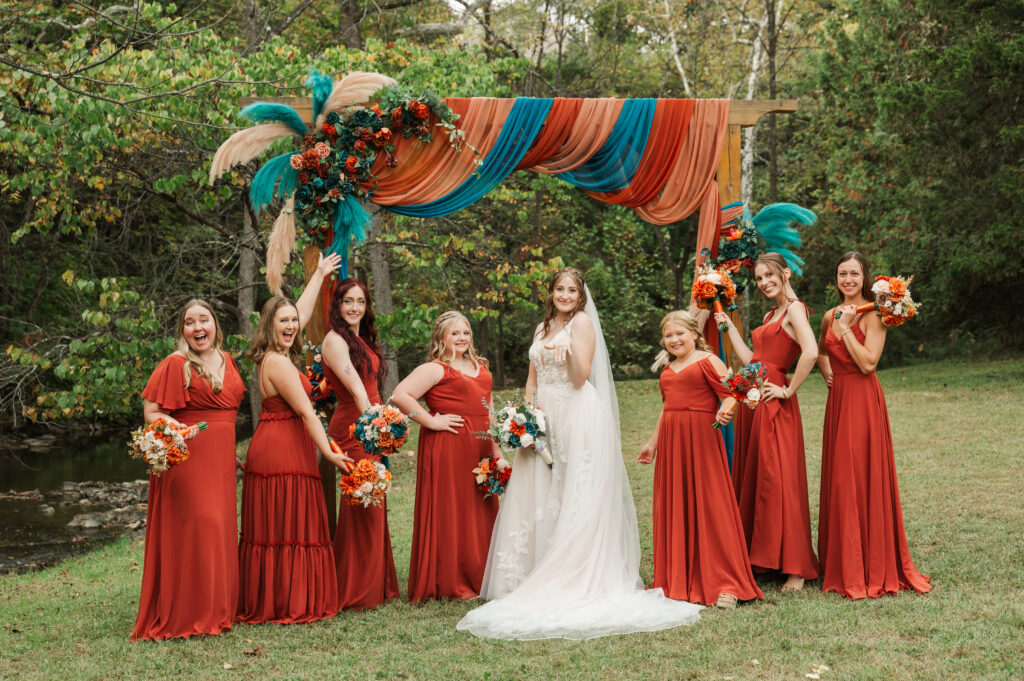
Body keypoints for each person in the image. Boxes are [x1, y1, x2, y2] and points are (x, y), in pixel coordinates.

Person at [457, 268, 703, 640]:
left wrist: (569, 354)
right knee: (539, 490)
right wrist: (526, 418)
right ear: (551, 292)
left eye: (572, 290)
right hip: (543, 417)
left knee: (574, 489)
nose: (566, 295)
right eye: (560, 289)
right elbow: (532, 378)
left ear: (580, 295)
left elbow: (578, 377)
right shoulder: (542, 328)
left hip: (576, 413)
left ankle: (573, 570)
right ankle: (530, 571)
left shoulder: (583, 325)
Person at [237, 253, 354, 624]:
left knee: (281, 525)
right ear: (269, 327)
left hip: (280, 442)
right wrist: (330, 453)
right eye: (282, 322)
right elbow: (306, 411)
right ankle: (290, 601)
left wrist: (319, 274)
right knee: (288, 525)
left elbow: (299, 313)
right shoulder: (279, 362)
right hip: (282, 448)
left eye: (292, 322)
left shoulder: (275, 352)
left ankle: (279, 595)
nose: (291, 326)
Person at [815, 251, 932, 599]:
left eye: (854, 273)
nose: (847, 280)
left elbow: (868, 365)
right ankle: (842, 560)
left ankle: (870, 561)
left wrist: (848, 331)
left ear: (865, 277)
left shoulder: (876, 315)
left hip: (864, 401)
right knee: (841, 477)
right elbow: (821, 351)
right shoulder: (828, 315)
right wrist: (829, 377)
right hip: (839, 402)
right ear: (835, 279)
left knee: (861, 473)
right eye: (841, 274)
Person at [131, 299, 246, 641]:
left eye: (204, 321)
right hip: (188, 458)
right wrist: (177, 430)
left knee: (221, 529)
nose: (198, 328)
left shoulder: (229, 361)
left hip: (220, 462)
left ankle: (218, 609)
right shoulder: (176, 363)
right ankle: (190, 613)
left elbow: (226, 418)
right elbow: (151, 411)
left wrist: (231, 453)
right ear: (182, 330)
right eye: (190, 323)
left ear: (215, 325)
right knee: (201, 527)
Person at [639, 310, 764, 608]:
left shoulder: (709, 361)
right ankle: (677, 577)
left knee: (712, 504)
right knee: (676, 504)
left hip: (701, 440)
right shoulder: (668, 370)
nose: (674, 340)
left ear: (694, 334)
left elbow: (731, 392)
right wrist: (652, 444)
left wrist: (728, 409)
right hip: (672, 443)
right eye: (668, 336)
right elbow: (667, 407)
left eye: (679, 334)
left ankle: (727, 583)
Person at [715, 253, 820, 592]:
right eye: (759, 278)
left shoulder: (794, 309)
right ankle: (763, 556)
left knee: (779, 477)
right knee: (758, 474)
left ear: (785, 273)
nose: (763, 282)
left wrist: (789, 389)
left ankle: (796, 568)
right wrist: (730, 329)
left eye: (769, 275)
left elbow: (811, 351)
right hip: (752, 397)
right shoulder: (769, 314)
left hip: (775, 401)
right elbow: (753, 360)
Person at [391, 311, 500, 603]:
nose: (462, 338)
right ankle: (451, 579)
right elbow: (400, 395)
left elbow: (486, 409)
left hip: (478, 447)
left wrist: (497, 450)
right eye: (455, 333)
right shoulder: (435, 368)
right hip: (448, 445)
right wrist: (431, 421)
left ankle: (482, 575)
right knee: (454, 509)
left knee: (479, 507)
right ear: (442, 337)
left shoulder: (480, 365)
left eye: (465, 332)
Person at [320, 278, 400, 610]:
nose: (355, 308)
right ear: (337, 305)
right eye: (348, 301)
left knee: (373, 500)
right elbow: (354, 385)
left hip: (372, 424)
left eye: (361, 302)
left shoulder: (359, 338)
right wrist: (375, 422)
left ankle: (376, 583)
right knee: (362, 501)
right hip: (356, 426)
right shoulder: (335, 340)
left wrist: (383, 424)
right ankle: (355, 590)